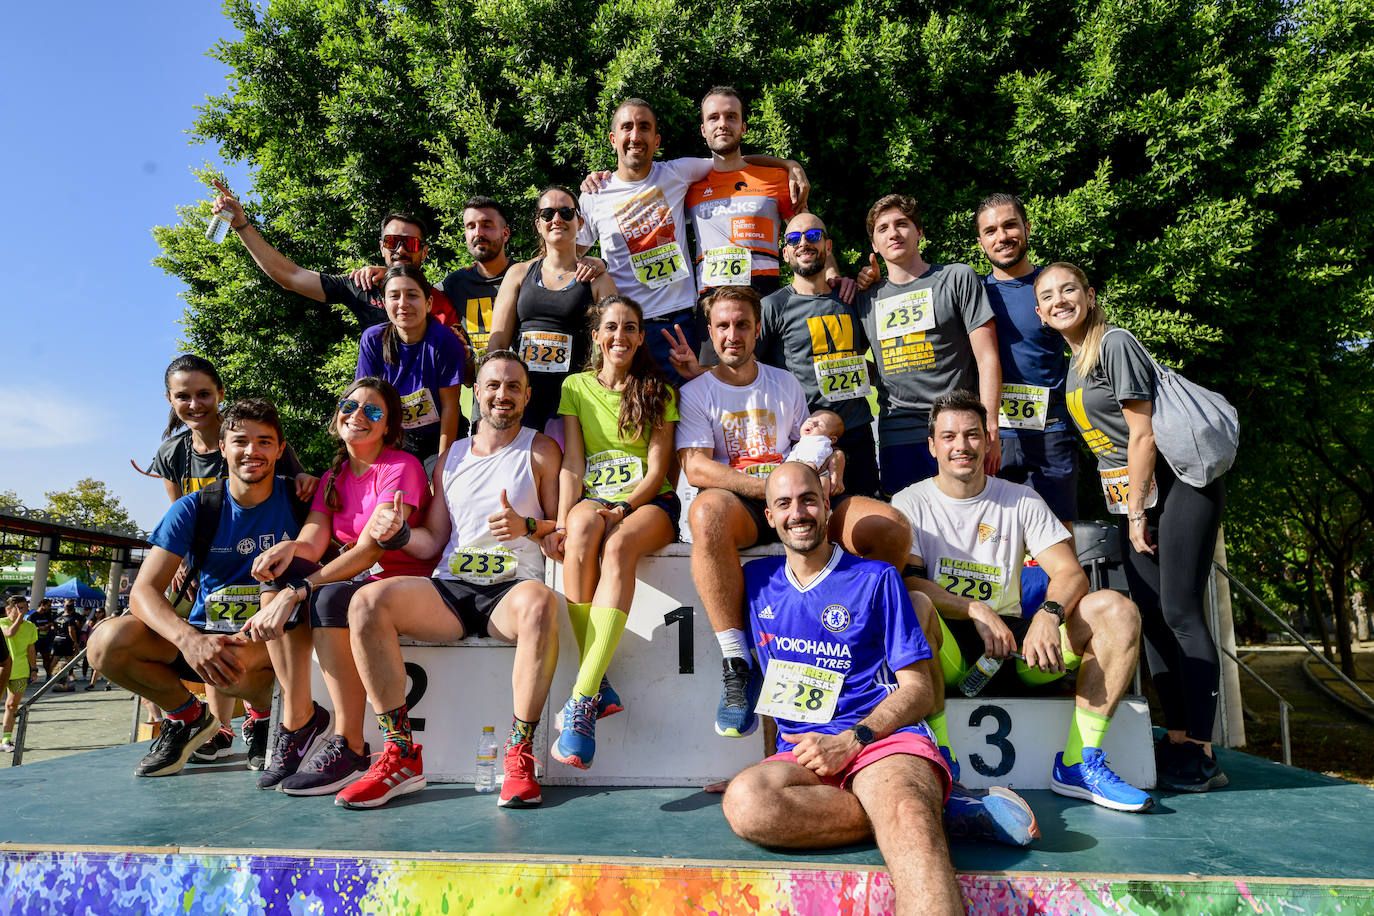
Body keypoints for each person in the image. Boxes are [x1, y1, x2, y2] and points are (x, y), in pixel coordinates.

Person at [721, 463, 964, 916]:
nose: (798, 513)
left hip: (880, 743)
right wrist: (768, 764)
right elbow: (776, 685)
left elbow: (918, 691)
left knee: (907, 817)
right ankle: (925, 809)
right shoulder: (756, 582)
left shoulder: (877, 578)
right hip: (805, 754)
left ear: (827, 506)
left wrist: (853, 740)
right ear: (770, 517)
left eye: (808, 500)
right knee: (746, 800)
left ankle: (912, 810)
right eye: (784, 503)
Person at [894, 389, 1153, 812]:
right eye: (949, 436)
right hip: (948, 649)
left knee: (1116, 610)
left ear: (988, 441)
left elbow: (1070, 573)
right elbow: (911, 583)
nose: (961, 446)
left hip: (1017, 647)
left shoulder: (1020, 499)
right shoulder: (910, 502)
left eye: (972, 435)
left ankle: (1079, 763)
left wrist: (1048, 616)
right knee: (915, 605)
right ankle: (943, 758)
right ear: (932, 446)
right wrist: (973, 608)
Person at [676, 286, 912, 739]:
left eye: (742, 324)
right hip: (745, 503)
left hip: (799, 498)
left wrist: (833, 460)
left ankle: (867, 645)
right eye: (722, 326)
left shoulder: (784, 382)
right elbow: (697, 467)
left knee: (890, 526)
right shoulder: (696, 392)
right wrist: (770, 490)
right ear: (710, 331)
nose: (732, 335)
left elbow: (808, 448)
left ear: (757, 330)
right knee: (706, 513)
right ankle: (737, 665)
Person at [1036, 262, 1229, 794]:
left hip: (1176, 485)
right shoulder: (1074, 363)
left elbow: (1142, 436)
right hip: (1136, 498)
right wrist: (1132, 508)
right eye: (1047, 296)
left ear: (1090, 294)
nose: (1059, 301)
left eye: (1068, 289)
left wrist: (1139, 510)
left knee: (1181, 611)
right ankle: (1179, 736)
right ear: (1040, 313)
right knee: (1153, 618)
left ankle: (1202, 750)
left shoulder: (1113, 343)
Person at [343, 350, 562, 809]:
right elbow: (433, 542)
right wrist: (401, 534)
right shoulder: (451, 457)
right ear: (476, 393)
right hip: (451, 589)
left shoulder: (541, 449)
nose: (503, 394)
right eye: (493, 385)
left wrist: (527, 526)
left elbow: (558, 530)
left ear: (527, 396)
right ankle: (400, 754)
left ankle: (519, 754)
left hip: (511, 591)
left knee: (541, 602)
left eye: (514, 387)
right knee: (366, 602)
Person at [87, 399, 303, 778]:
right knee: (106, 643)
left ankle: (265, 715)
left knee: (231, 661)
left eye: (264, 442)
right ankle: (188, 718)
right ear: (222, 447)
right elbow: (142, 592)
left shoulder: (303, 501)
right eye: (240, 441)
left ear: (280, 449)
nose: (252, 451)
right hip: (208, 638)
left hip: (276, 643)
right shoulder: (193, 508)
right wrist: (188, 639)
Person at [237, 378, 432, 794]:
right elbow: (313, 541)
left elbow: (369, 551)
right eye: (349, 406)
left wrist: (299, 590)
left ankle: (351, 744)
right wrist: (288, 549)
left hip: (397, 584)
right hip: (356, 581)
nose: (358, 415)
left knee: (324, 597)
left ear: (388, 426)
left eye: (372, 411)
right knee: (277, 574)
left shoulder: (401, 467)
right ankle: (298, 721)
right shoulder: (334, 474)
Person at [148, 353, 316, 763]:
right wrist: (184, 559)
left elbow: (296, 480)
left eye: (203, 394)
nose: (194, 404)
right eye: (183, 396)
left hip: (268, 573)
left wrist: (309, 484)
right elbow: (178, 507)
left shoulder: (253, 432)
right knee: (211, 623)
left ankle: (261, 717)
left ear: (220, 394)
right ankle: (210, 725)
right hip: (212, 561)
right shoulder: (174, 454)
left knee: (244, 635)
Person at [577, 98, 809, 384]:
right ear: (613, 139)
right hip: (625, 327)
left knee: (688, 406)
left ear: (656, 140)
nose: (635, 135)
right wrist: (592, 263)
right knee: (625, 406)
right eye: (627, 127)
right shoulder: (594, 194)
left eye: (644, 127)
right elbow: (569, 256)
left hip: (680, 324)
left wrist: (788, 165)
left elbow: (730, 157)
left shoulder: (678, 173)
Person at [544, 296, 677, 769]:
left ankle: (582, 698)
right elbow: (573, 462)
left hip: (648, 503)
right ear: (596, 336)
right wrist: (563, 521)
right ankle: (599, 684)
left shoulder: (660, 391)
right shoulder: (575, 386)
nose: (620, 335)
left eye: (630, 328)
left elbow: (659, 470)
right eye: (612, 327)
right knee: (581, 528)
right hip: (596, 497)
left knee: (617, 546)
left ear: (640, 338)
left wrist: (623, 508)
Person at [853, 194, 1003, 495]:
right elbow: (852, 361)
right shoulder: (865, 298)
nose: (893, 233)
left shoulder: (957, 277)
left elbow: (987, 357)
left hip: (957, 429)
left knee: (967, 517)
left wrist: (990, 424)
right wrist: (883, 373)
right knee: (906, 522)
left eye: (902, 224)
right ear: (874, 244)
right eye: (882, 228)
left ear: (919, 232)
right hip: (898, 434)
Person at [211, 180, 461, 334]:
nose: (401, 250)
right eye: (392, 242)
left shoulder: (441, 299)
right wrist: (241, 224)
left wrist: (394, 277)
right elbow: (290, 276)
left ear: (424, 252)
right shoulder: (362, 286)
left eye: (411, 243)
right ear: (382, 248)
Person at [757, 213, 880, 497]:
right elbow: (751, 371)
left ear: (828, 246)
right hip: (805, 438)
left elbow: (865, 356)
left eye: (813, 236)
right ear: (785, 253)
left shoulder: (851, 298)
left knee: (866, 514)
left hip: (857, 432)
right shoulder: (772, 307)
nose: (803, 243)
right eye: (793, 239)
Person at [974, 194, 1076, 526]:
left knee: (1058, 537)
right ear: (981, 242)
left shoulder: (1057, 287)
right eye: (990, 231)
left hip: (1051, 432)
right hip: (993, 440)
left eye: (1010, 225)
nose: (1001, 237)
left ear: (1027, 228)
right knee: (996, 541)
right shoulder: (971, 292)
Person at [486, 187, 618, 433]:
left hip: (570, 400)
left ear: (580, 222)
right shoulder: (518, 273)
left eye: (566, 213)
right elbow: (497, 345)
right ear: (538, 224)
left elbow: (612, 346)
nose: (557, 219)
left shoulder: (598, 280)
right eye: (548, 214)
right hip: (519, 398)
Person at [355, 264, 473, 471]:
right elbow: (365, 401)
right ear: (384, 303)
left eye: (412, 295)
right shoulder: (372, 340)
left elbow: (450, 407)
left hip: (441, 437)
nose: (403, 304)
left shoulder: (445, 341)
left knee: (441, 484)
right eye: (394, 296)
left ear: (428, 304)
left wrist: (443, 468)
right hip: (395, 437)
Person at [2, 596, 39, 753]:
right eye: (19, 608)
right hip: (1, 670)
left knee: (12, 705)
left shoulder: (30, 627)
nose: (23, 611)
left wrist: (34, 669)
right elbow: (10, 633)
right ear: (8, 609)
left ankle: (5, 740)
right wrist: (20, 617)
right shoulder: (2, 623)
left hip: (20, 672)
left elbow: (31, 649)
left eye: (25, 608)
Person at [50, 601, 83, 691]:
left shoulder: (58, 618)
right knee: (70, 661)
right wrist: (75, 642)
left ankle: (50, 677)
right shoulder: (70, 619)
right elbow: (71, 631)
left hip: (57, 639)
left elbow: (54, 629)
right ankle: (70, 679)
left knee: (55, 660)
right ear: (72, 610)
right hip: (66, 640)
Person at [25, 598, 56, 681]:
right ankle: (30, 676)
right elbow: (28, 628)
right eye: (48, 605)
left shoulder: (48, 615)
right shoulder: (33, 616)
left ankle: (49, 676)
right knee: (32, 658)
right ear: (42, 605)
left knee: (46, 658)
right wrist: (39, 628)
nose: (50, 607)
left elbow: (52, 624)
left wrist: (50, 626)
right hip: (35, 641)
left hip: (45, 640)